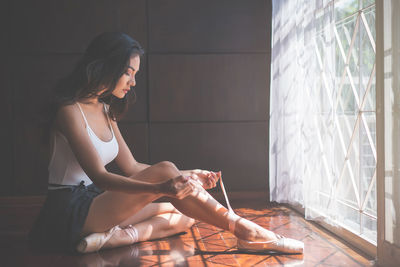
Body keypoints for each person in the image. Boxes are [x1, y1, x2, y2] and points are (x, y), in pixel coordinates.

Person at [28, 32, 304, 254]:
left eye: (135, 74)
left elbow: (133, 166)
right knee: (166, 174)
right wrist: (162, 185)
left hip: (95, 203)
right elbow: (101, 177)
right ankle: (245, 230)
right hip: (69, 211)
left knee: (184, 213)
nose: (133, 82)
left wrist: (187, 176)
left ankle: (109, 240)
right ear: (106, 65)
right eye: (128, 72)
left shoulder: (106, 110)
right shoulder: (69, 111)